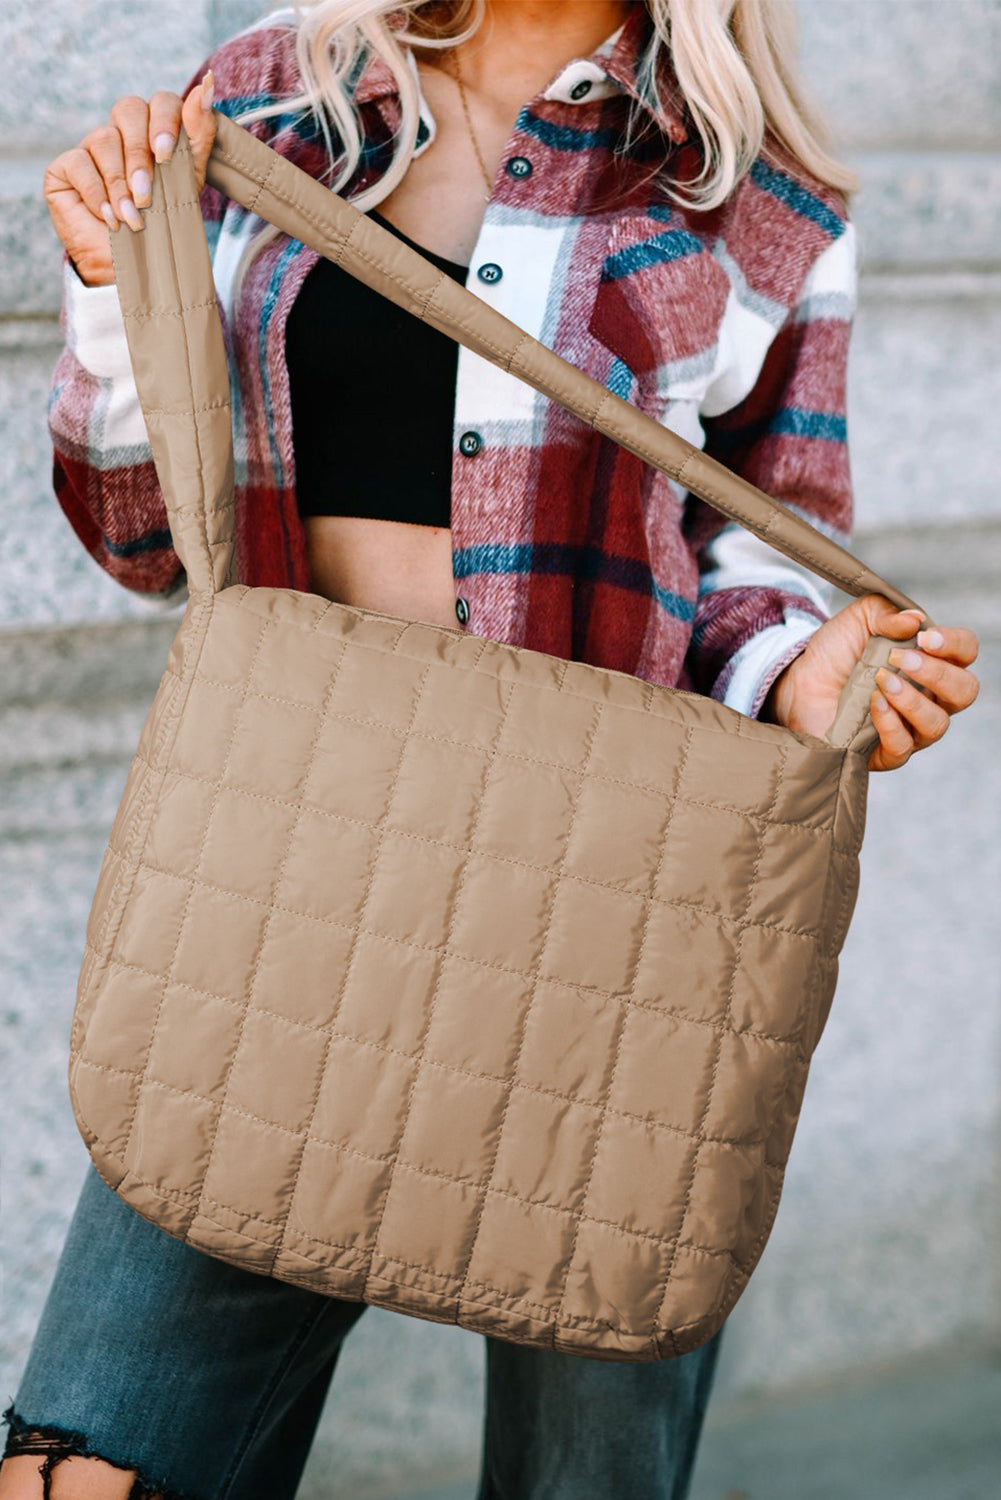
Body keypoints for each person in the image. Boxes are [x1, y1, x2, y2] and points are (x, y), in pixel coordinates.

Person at [2, 0, 980, 1495]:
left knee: (583, 1469)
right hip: (293, 871)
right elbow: (145, 541)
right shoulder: (269, 98)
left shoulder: (760, 186)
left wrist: (803, 665)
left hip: (609, 913)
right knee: (85, 1465)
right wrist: (103, 282)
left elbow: (759, 547)